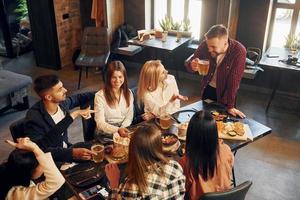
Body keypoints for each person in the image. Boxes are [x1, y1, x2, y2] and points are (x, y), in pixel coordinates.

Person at [24, 74, 96, 163]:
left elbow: (78, 98)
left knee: (100, 149)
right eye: (60, 89)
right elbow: (40, 150)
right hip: (52, 160)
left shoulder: (62, 104)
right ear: (49, 97)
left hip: (66, 150)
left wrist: (103, 92)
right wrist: (72, 153)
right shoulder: (34, 118)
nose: (65, 90)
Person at [105, 124, 186, 199]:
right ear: (159, 146)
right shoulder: (175, 166)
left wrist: (114, 184)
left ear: (132, 151)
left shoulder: (132, 187)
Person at [187, 24, 246, 118]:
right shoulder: (205, 45)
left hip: (226, 94)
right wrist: (192, 65)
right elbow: (190, 62)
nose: (209, 49)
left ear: (225, 43)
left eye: (213, 47)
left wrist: (230, 106)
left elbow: (233, 81)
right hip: (208, 89)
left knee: (222, 124)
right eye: (208, 46)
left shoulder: (239, 51)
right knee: (205, 121)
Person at [179, 111, 234, 200]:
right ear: (215, 133)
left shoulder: (186, 162)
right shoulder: (226, 150)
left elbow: (182, 190)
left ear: (191, 134)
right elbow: (229, 169)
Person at [0, 137, 65, 200]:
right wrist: (35, 148)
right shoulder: (19, 195)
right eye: (41, 164)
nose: (43, 168)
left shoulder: (10, 171)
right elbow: (57, 182)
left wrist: (34, 147)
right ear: (29, 172)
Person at [94, 60, 134, 137]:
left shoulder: (129, 93)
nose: (117, 81)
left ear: (124, 77)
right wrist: (118, 130)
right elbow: (100, 123)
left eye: (120, 77)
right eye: (114, 77)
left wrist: (122, 128)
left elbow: (129, 116)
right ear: (108, 78)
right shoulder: (99, 96)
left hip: (124, 128)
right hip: (105, 132)